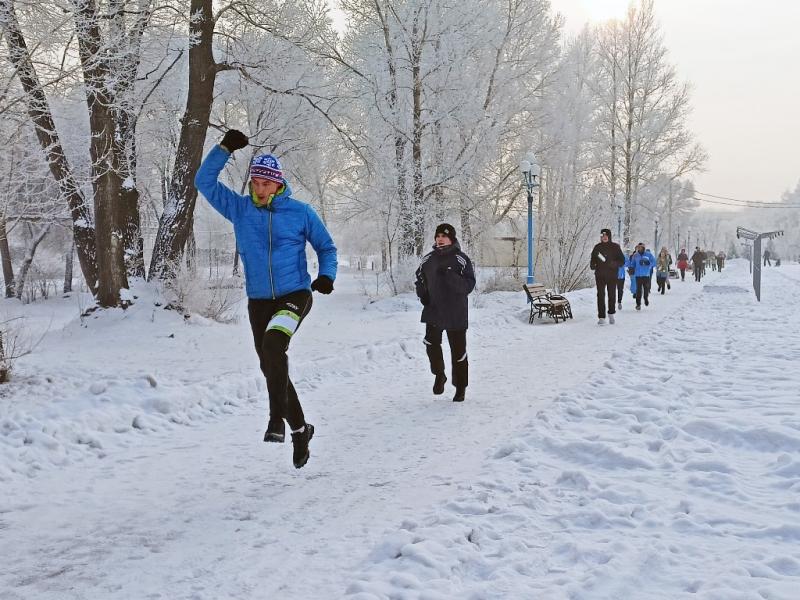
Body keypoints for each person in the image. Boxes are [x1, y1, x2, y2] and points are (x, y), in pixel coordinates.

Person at [194, 129, 337, 469]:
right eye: (255, 183)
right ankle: (301, 429)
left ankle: (276, 421)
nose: (258, 189)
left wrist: (327, 275)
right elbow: (203, 181)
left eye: (265, 183)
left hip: (295, 294)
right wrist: (225, 148)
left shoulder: (300, 212)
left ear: (278, 184)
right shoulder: (240, 210)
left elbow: (326, 247)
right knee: (271, 366)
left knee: (274, 346)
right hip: (259, 300)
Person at [415, 224, 476, 402]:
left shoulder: (461, 259)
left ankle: (460, 388)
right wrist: (423, 294)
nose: (440, 238)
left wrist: (450, 276)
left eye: (444, 235)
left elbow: (468, 285)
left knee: (459, 352)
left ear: (452, 238)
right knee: (431, 343)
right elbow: (419, 279)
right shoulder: (428, 260)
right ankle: (439, 374)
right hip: (434, 310)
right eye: (438, 235)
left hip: (455, 312)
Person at [589, 228, 625, 325]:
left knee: (611, 294)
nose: (604, 238)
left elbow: (622, 261)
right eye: (602, 236)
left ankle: (611, 314)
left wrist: (614, 264)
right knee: (600, 295)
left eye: (606, 236)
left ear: (609, 236)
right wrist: (592, 265)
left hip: (612, 275)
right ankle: (601, 317)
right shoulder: (597, 247)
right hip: (600, 275)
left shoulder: (615, 247)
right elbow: (593, 259)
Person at [629, 242, 656, 309]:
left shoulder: (648, 254)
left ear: (643, 248)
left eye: (641, 247)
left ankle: (646, 298)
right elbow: (632, 264)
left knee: (646, 288)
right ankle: (638, 304)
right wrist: (631, 268)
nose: (639, 248)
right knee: (638, 290)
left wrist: (648, 263)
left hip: (646, 274)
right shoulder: (635, 255)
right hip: (638, 275)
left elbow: (654, 262)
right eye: (638, 247)